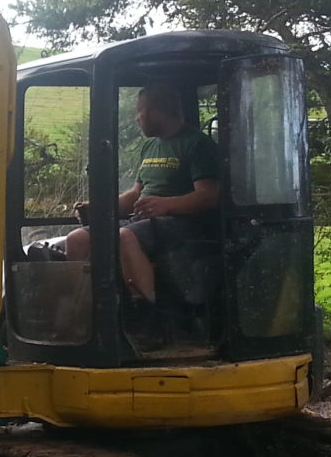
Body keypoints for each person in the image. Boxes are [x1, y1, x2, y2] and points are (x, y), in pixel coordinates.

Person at [66, 84, 220, 309]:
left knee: (124, 235)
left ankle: (146, 314)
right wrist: (100, 209)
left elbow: (209, 196)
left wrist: (166, 205)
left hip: (184, 223)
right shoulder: (149, 147)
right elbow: (136, 195)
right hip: (146, 220)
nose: (137, 118)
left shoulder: (197, 144)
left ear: (157, 111)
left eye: (140, 110)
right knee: (76, 239)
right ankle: (87, 311)